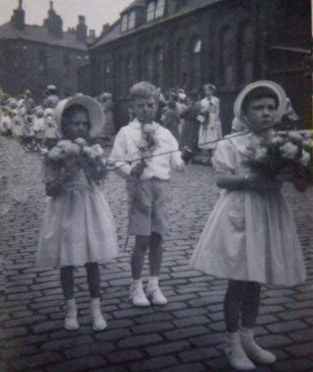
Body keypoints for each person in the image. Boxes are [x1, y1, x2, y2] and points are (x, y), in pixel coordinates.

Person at [189, 80, 307, 371]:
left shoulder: (280, 143)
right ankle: (231, 341)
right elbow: (220, 179)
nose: (266, 113)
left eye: (270, 108)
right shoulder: (231, 143)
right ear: (245, 111)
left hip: (268, 211)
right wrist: (250, 181)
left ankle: (248, 337)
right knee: (239, 281)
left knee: (256, 278)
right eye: (258, 108)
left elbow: (291, 174)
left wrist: (297, 173)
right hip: (240, 213)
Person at [36, 94, 118, 331]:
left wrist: (94, 165)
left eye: (84, 123)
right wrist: (67, 173)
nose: (81, 128)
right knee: (68, 260)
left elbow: (99, 180)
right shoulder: (57, 153)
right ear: (64, 125)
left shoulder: (93, 150)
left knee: (92, 259)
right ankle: (70, 309)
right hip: (66, 207)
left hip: (90, 207)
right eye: (75, 123)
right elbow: (50, 189)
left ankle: (96, 308)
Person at [110, 81, 184, 307]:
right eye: (140, 105)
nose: (146, 109)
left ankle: (154, 283)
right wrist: (130, 170)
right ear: (132, 106)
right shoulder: (126, 132)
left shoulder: (165, 133)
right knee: (142, 239)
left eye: (150, 105)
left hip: (161, 188)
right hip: (139, 188)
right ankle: (136, 285)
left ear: (157, 105)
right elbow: (115, 161)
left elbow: (176, 162)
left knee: (158, 237)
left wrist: (184, 157)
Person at [197, 84, 222, 164]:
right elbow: (200, 112)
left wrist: (216, 121)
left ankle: (214, 155)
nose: (207, 92)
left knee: (213, 135)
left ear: (212, 91)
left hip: (213, 118)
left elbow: (217, 111)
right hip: (205, 119)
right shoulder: (202, 101)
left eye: (209, 90)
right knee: (205, 135)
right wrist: (202, 116)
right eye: (206, 90)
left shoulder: (216, 100)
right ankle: (206, 155)